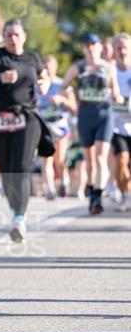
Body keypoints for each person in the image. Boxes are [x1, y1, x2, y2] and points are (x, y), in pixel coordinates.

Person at [0, 18, 51, 242]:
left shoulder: (32, 58)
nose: (12, 39)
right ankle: (16, 209)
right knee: (7, 171)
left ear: (24, 36)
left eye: (16, 34)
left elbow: (44, 77)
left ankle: (19, 218)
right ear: (3, 38)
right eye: (8, 35)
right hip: (0, 119)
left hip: (27, 118)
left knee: (21, 166)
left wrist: (43, 83)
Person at [57, 33, 122, 214]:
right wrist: (68, 97)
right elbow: (64, 86)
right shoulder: (78, 67)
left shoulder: (108, 67)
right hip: (85, 114)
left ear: (100, 47)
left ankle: (97, 197)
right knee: (90, 160)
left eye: (94, 44)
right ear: (84, 48)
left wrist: (116, 96)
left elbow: (115, 89)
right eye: (87, 45)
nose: (91, 48)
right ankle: (93, 191)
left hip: (104, 113)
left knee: (101, 156)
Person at [38, 54, 74, 200]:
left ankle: (64, 182)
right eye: (44, 66)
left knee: (59, 159)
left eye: (49, 65)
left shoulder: (62, 85)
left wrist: (62, 100)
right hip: (44, 127)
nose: (47, 68)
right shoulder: (37, 86)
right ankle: (51, 189)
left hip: (60, 127)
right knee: (47, 159)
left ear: (55, 67)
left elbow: (74, 106)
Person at [111, 33, 131, 211]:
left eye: (125, 48)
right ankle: (125, 195)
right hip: (116, 126)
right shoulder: (110, 72)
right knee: (121, 160)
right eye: (119, 48)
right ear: (114, 51)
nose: (122, 51)